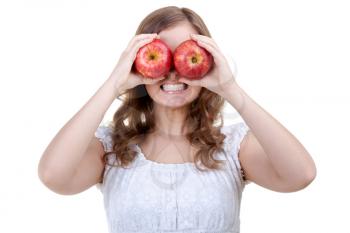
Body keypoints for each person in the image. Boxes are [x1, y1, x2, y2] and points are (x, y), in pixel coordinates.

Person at [38, 6, 317, 233]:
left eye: (186, 54)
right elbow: (53, 176)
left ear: (208, 58)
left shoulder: (232, 147)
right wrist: (114, 83)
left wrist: (230, 87)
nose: (172, 72)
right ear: (135, 61)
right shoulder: (112, 149)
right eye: (160, 55)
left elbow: (300, 175)